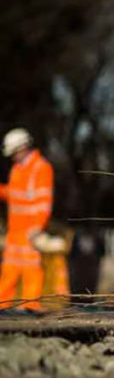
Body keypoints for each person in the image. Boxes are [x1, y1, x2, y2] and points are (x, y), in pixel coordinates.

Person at [0, 128, 54, 313]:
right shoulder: (17, 169)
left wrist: (38, 226)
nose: (13, 157)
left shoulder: (41, 168)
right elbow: (15, 195)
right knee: (9, 270)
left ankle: (30, 306)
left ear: (23, 148)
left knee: (32, 269)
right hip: (15, 230)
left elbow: (44, 201)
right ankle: (3, 306)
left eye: (14, 153)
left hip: (30, 229)